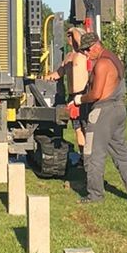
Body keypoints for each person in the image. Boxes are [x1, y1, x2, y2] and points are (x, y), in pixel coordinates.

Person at [71, 31, 127, 204]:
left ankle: (95, 195)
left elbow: (96, 94)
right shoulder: (115, 59)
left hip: (103, 112)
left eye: (87, 50)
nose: (86, 54)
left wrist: (79, 99)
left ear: (96, 45)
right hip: (119, 109)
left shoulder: (102, 63)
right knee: (122, 153)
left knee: (93, 154)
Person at [47, 27, 91, 159]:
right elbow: (58, 73)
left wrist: (73, 29)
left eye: (71, 35)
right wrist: (43, 78)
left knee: (86, 126)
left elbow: (80, 38)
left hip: (83, 94)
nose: (70, 37)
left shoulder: (83, 53)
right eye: (69, 35)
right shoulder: (68, 57)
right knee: (77, 128)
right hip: (72, 96)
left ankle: (90, 156)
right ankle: (83, 156)